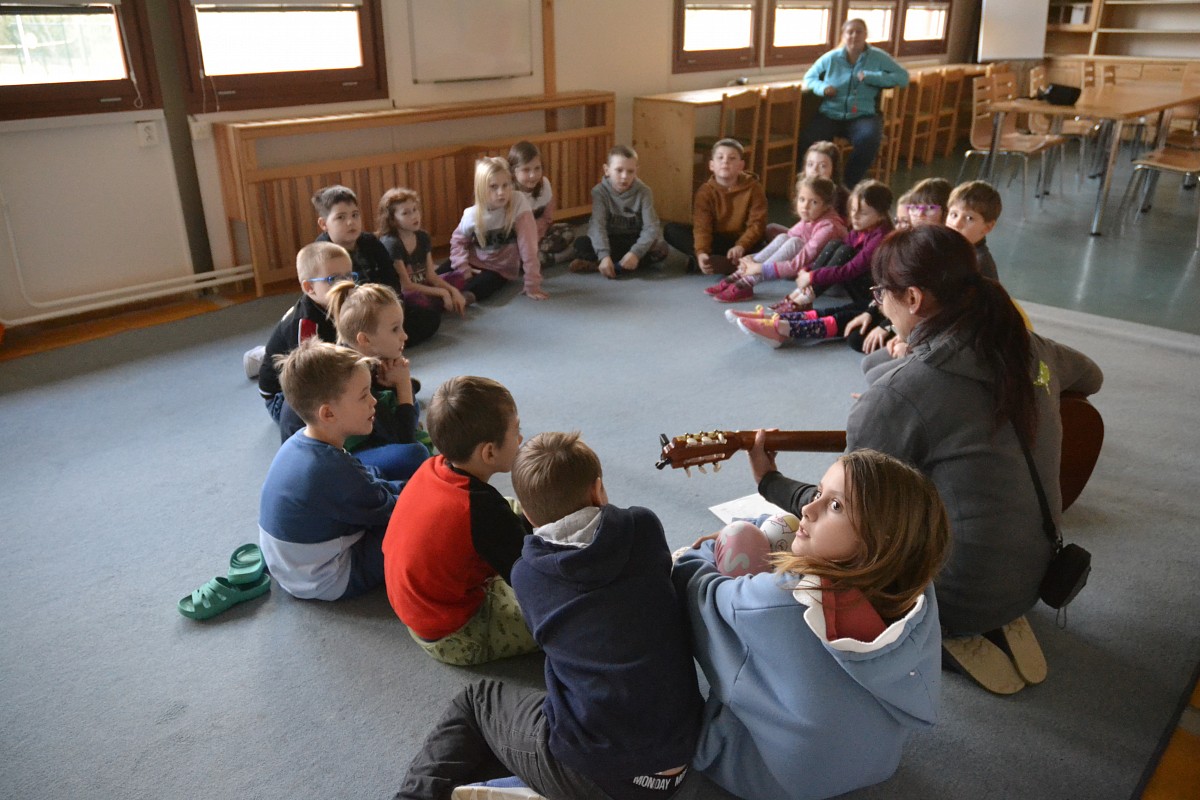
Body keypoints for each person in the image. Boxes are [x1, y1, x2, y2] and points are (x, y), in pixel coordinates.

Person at [770, 225, 1104, 694]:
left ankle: (939, 629)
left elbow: (843, 515)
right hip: (1041, 575)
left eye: (880, 294)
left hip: (953, 598)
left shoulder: (896, 396)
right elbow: (1093, 377)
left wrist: (769, 480)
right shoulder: (1027, 346)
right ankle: (998, 614)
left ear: (912, 298)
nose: (878, 305)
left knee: (791, 545)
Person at [394, 431, 704, 800]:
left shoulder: (529, 574)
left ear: (527, 514)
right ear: (598, 490)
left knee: (478, 702)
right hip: (680, 759)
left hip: (596, 772)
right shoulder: (645, 526)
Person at [673, 449, 950, 800]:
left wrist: (706, 550)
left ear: (878, 541)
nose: (808, 508)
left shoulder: (782, 598)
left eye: (835, 506)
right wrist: (768, 527)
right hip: (877, 763)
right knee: (779, 533)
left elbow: (699, 596)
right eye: (818, 493)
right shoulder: (919, 596)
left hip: (774, 777)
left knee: (705, 624)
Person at [382, 376, 540, 666]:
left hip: (419, 608)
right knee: (560, 620)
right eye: (516, 431)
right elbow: (530, 578)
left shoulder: (433, 466)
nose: (520, 439)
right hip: (454, 633)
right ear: (489, 452)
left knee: (509, 511)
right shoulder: (483, 510)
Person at [258, 338, 404, 601]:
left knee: (383, 474)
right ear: (328, 414)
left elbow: (360, 480)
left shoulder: (301, 441)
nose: (374, 401)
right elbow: (391, 510)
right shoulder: (331, 470)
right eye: (363, 396)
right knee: (415, 525)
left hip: (289, 567)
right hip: (328, 578)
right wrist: (417, 488)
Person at [278, 281, 430, 481]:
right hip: (325, 462)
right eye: (395, 329)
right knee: (415, 454)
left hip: (334, 441)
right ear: (364, 340)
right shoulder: (355, 378)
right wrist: (402, 385)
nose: (404, 335)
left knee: (406, 403)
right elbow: (403, 437)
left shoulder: (352, 357)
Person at [730, 180, 895, 347]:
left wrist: (812, 276)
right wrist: (809, 271)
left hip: (873, 293)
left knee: (846, 312)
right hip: (865, 292)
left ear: (881, 215)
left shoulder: (880, 237)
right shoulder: (861, 229)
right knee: (837, 246)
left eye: (863, 213)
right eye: (852, 210)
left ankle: (791, 315)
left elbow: (850, 270)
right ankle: (788, 310)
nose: (855, 217)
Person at [312, 184, 441, 346]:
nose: (350, 222)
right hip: (349, 318)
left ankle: (379, 343)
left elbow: (391, 278)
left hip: (381, 309)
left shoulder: (370, 242)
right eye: (341, 217)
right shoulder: (323, 252)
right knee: (330, 341)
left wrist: (392, 310)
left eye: (355, 215)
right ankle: (380, 344)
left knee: (430, 317)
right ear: (324, 224)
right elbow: (328, 300)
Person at [800, 18, 909, 186]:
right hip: (831, 113)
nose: (854, 36)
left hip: (862, 115)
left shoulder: (878, 57)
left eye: (859, 32)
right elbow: (809, 77)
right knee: (808, 138)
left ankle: (847, 185)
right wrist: (823, 88)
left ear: (866, 35)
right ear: (843, 35)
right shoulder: (831, 57)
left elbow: (903, 77)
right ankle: (812, 183)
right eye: (850, 32)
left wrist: (872, 77)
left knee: (869, 139)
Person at [705, 175, 846, 303]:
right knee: (784, 237)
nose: (805, 206)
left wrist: (759, 268)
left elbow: (796, 264)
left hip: (830, 284)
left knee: (795, 242)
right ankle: (740, 275)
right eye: (802, 200)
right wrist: (752, 258)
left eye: (814, 202)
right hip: (806, 271)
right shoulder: (811, 217)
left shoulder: (829, 227)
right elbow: (786, 242)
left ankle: (747, 282)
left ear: (827, 206)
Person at [257, 241, 351, 425]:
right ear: (309, 288)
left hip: (326, 364)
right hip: (282, 397)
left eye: (349, 276)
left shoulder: (344, 304)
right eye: (333, 279)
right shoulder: (306, 324)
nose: (346, 284)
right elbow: (307, 378)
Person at [449, 157, 549, 302]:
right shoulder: (472, 214)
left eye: (505, 185)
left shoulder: (518, 203)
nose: (501, 192)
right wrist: (462, 268)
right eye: (493, 187)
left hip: (499, 269)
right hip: (473, 260)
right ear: (481, 188)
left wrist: (532, 284)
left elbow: (529, 247)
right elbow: (458, 242)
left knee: (482, 287)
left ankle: (457, 299)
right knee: (439, 275)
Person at [662, 138, 767, 275]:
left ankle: (726, 262)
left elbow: (757, 223)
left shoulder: (754, 188)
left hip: (743, 241)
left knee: (766, 239)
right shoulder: (705, 192)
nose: (725, 162)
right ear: (711, 165)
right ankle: (710, 260)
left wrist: (741, 246)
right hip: (716, 239)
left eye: (732, 158)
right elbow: (702, 227)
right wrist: (701, 252)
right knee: (671, 230)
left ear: (741, 165)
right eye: (720, 157)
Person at [569, 144, 669, 279]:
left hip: (634, 239)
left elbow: (651, 227)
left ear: (636, 171)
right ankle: (613, 265)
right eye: (619, 170)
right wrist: (604, 255)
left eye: (630, 171)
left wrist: (635, 253)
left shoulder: (644, 192)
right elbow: (597, 226)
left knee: (661, 249)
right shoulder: (599, 192)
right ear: (607, 170)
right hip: (611, 240)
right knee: (581, 244)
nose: (624, 176)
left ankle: (607, 265)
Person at [376, 187, 469, 315]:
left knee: (457, 277)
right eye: (405, 213)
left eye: (415, 209)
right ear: (392, 220)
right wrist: (443, 292)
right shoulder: (392, 243)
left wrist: (453, 291)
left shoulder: (423, 237)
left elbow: (431, 276)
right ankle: (439, 305)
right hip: (404, 292)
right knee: (413, 300)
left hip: (422, 285)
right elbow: (406, 286)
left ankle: (443, 303)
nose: (414, 216)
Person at [508, 140, 576, 270]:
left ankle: (539, 257)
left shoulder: (544, 184)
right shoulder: (509, 193)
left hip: (541, 233)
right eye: (526, 170)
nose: (533, 175)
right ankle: (557, 257)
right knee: (512, 253)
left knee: (567, 230)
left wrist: (540, 232)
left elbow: (547, 217)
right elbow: (510, 228)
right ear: (513, 171)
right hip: (521, 239)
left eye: (537, 168)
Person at [946, 180, 1002, 281]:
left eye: (969, 218)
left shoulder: (978, 266)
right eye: (954, 215)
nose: (956, 224)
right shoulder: (951, 248)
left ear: (987, 227)